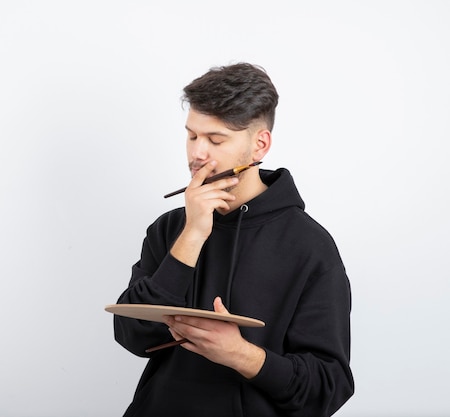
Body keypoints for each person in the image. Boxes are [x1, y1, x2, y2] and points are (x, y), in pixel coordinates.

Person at [113, 62, 354, 416]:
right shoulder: (168, 229)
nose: (197, 153)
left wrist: (239, 354)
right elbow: (131, 334)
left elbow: (327, 389)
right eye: (192, 135)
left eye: (215, 139)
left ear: (260, 144)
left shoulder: (310, 246)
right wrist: (192, 234)